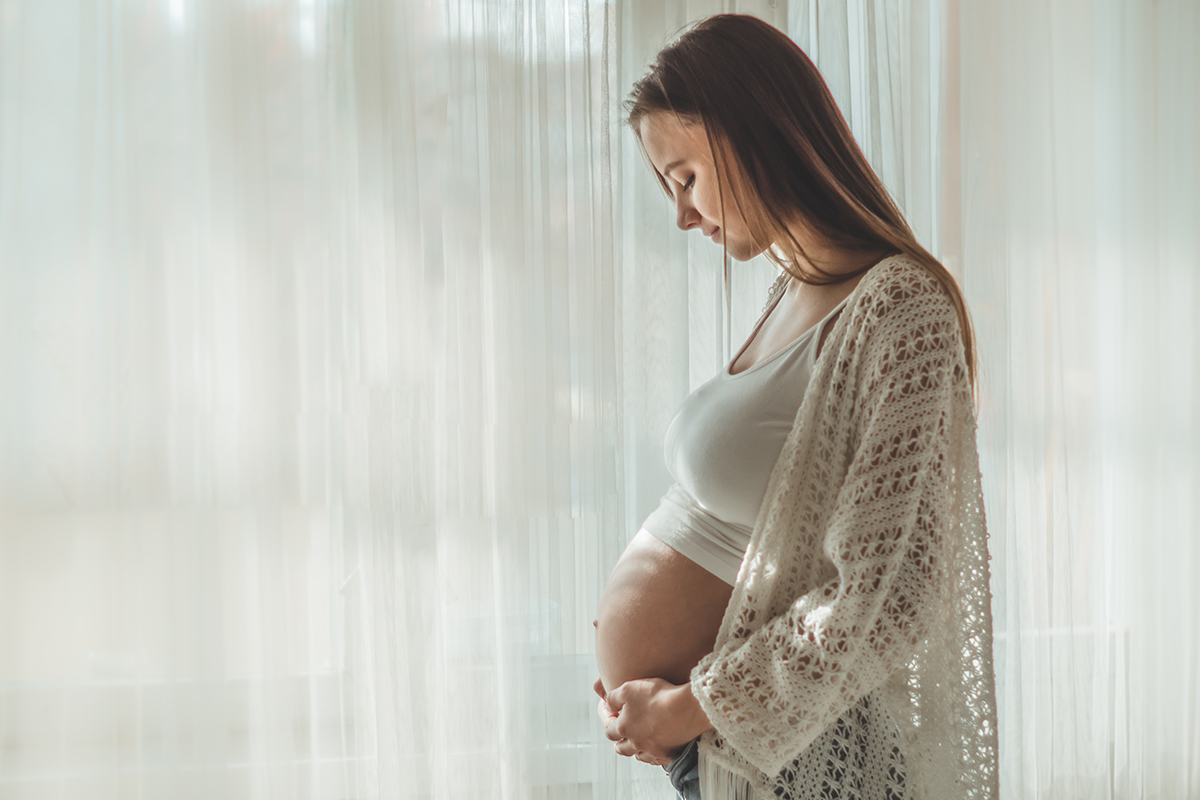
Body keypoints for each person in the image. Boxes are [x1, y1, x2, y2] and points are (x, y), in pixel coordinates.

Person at [591, 14, 998, 800]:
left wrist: (684, 706)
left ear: (749, 134)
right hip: (733, 752)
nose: (681, 214)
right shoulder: (792, 292)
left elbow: (888, 596)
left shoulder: (901, 308)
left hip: (809, 757)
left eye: (685, 177)